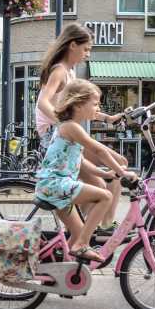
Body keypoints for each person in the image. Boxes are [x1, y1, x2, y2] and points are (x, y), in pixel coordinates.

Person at [36, 23, 127, 236]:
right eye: (86, 49)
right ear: (72, 45)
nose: (87, 54)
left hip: (60, 132)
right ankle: (100, 227)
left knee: (102, 183)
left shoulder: (70, 72)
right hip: (53, 135)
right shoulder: (59, 70)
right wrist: (63, 123)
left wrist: (108, 118)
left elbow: (81, 104)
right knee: (116, 168)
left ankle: (83, 229)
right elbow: (43, 102)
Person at [35, 79, 138, 262]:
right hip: (56, 186)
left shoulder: (68, 127)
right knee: (105, 196)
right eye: (95, 104)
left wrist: (106, 174)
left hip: (52, 186)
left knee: (78, 231)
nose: (98, 108)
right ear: (79, 104)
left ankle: (62, 275)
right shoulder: (72, 128)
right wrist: (123, 173)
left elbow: (81, 162)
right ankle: (82, 245)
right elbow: (99, 150)